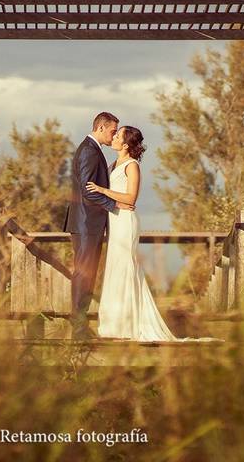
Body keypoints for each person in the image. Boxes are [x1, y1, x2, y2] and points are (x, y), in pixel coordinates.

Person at [85, 125, 180, 341]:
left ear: (126, 144)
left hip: (125, 222)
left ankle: (128, 325)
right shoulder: (112, 164)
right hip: (114, 221)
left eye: (118, 135)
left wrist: (102, 190)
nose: (114, 136)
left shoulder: (132, 166)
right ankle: (113, 324)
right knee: (115, 268)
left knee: (125, 267)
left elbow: (130, 198)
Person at [62, 112, 135, 341]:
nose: (114, 135)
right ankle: (78, 329)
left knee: (88, 274)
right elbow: (87, 190)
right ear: (102, 128)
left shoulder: (93, 150)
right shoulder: (88, 151)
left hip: (90, 224)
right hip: (86, 224)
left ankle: (82, 327)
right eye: (113, 131)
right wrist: (115, 206)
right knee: (83, 274)